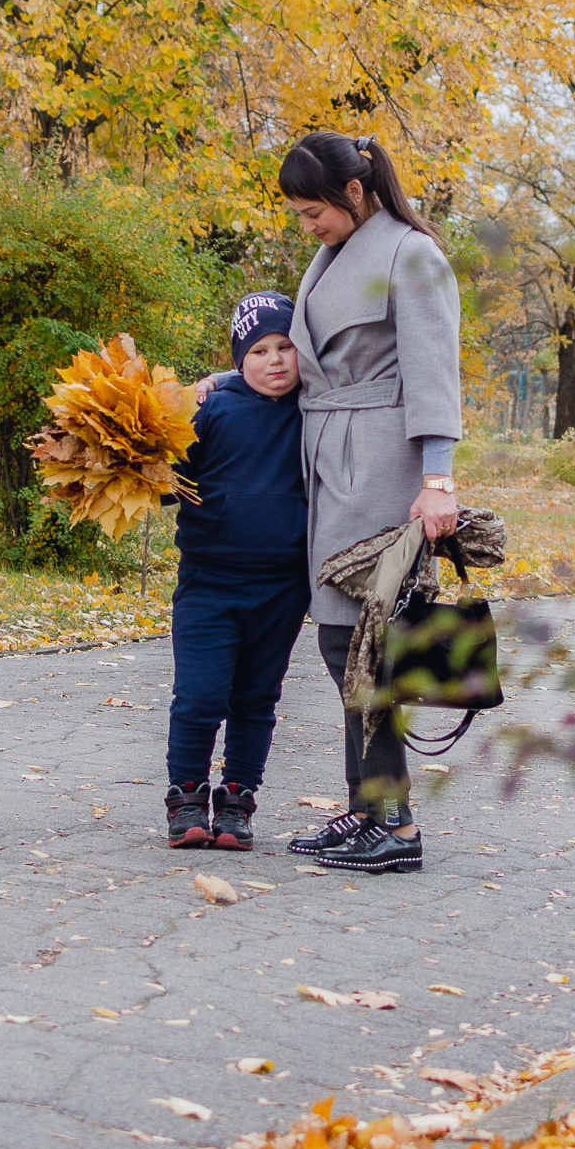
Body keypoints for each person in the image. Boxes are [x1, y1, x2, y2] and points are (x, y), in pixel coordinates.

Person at [276, 131, 463, 875]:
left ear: (353, 193)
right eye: (298, 214)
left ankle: (396, 823)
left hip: (382, 462)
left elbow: (434, 372)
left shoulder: (410, 254)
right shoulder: (331, 257)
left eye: (312, 210)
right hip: (329, 458)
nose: (306, 226)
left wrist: (438, 480)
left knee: (363, 644)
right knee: (341, 639)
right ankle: (366, 811)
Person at [161, 292, 311, 851]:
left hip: (282, 586)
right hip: (209, 582)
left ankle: (238, 801)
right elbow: (166, 485)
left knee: (256, 699)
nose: (275, 360)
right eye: (258, 350)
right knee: (199, 696)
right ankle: (186, 798)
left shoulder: (314, 410)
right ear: (239, 359)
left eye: (287, 346)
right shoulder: (210, 410)